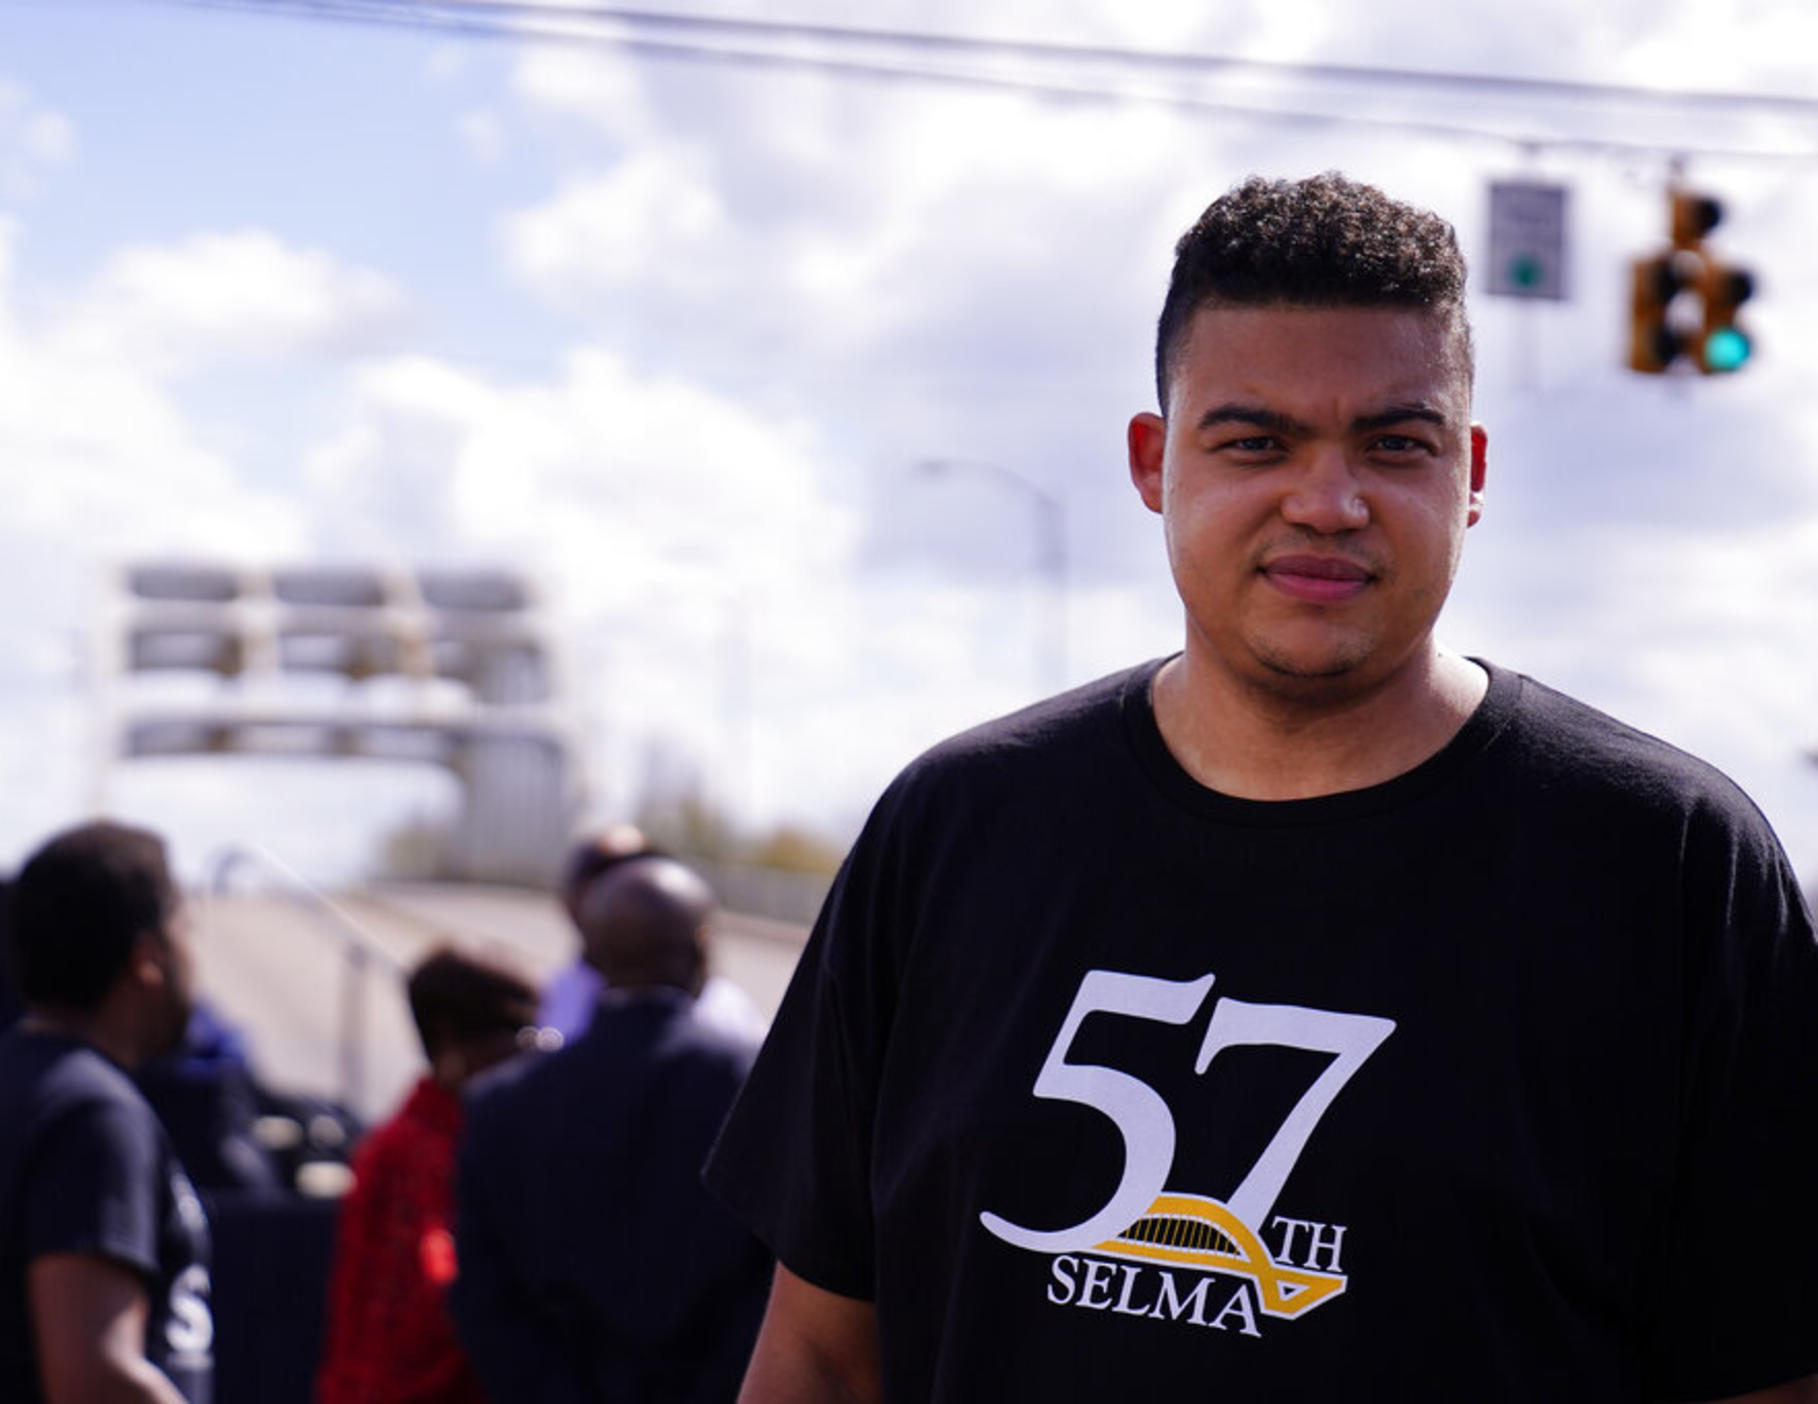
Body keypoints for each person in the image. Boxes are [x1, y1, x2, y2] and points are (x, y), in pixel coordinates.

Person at [704, 172, 1818, 1403]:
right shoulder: (954, 830)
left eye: (1396, 443)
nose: (1327, 502)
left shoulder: (1666, 866)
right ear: (1152, 460)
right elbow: (819, 1353)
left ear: (1473, 471)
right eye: (1256, 441)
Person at [452, 857, 772, 1402]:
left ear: (591, 955)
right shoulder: (760, 1086)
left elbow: (486, 1302)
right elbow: (779, 1285)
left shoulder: (502, 1105)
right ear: (701, 947)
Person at [0, 820, 212, 1404]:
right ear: (148, 959)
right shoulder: (95, 1115)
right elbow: (94, 1382)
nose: (195, 956)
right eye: (187, 930)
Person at [315, 946, 540, 1404]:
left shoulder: (430, 1140)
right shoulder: (424, 1152)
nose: (528, 1053)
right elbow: (440, 1306)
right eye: (514, 1034)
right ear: (449, 1040)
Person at [542, 824, 767, 1045]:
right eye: (608, 876)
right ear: (571, 901)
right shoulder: (542, 1003)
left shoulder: (727, 1011)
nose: (633, 887)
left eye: (645, 867)